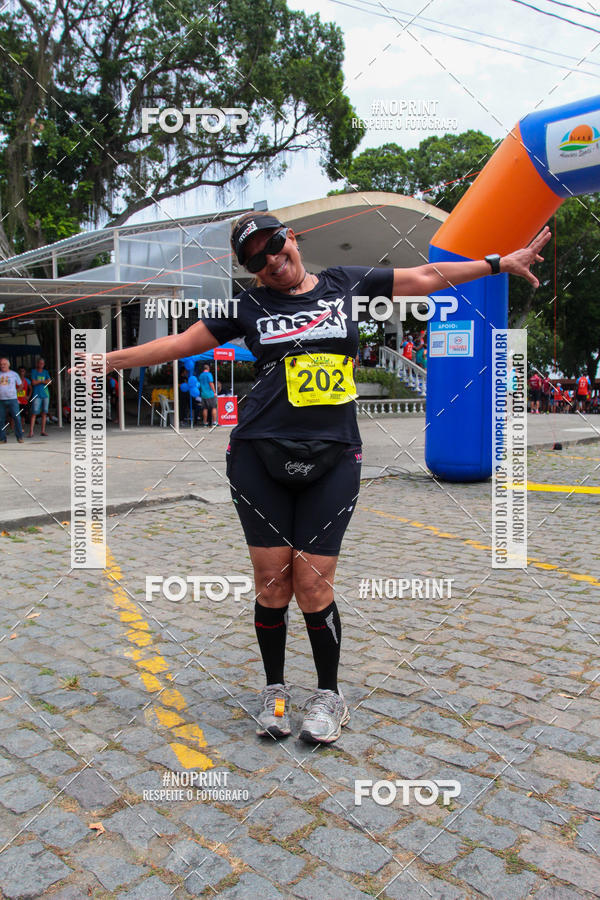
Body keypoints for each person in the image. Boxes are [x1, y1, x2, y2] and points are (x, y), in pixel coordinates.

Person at [97, 213, 551, 744]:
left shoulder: (344, 283)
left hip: (335, 456)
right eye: (254, 258)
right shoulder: (247, 306)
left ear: (292, 239)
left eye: (272, 244)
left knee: (312, 583)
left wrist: (500, 262)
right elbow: (177, 344)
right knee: (272, 583)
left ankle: (329, 695)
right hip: (257, 454)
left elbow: (425, 278)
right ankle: (274, 690)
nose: (269, 259)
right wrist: (106, 360)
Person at [0, 358, 24, 443]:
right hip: (1, 400)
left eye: (4, 364)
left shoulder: (14, 374)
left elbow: (21, 385)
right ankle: (2, 438)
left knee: (17, 418)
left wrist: (15, 392)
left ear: (8, 365)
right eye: (1, 364)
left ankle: (19, 437)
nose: (2, 366)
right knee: (1, 419)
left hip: (12, 399)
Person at [29, 357, 51, 437]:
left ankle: (43, 431)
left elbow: (49, 382)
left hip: (45, 394)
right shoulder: (34, 371)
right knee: (34, 412)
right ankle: (31, 431)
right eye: (40, 363)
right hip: (37, 395)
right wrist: (43, 381)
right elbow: (33, 383)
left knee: (44, 413)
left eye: (42, 363)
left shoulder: (45, 372)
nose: (41, 365)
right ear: (37, 364)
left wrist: (40, 382)